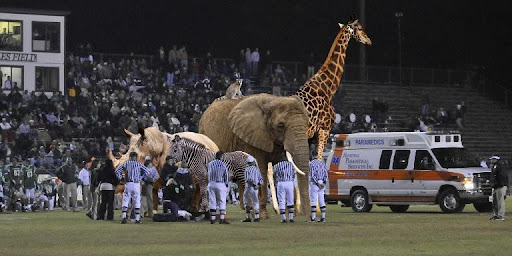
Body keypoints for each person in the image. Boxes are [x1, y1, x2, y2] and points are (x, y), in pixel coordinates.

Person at [115, 152, 149, 224]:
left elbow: (117, 171)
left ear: (130, 157)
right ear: (136, 157)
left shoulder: (126, 163)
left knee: (126, 200)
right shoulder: (139, 164)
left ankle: (124, 217)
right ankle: (137, 219)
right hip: (136, 184)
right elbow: (147, 172)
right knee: (137, 201)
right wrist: (141, 178)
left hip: (128, 183)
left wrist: (121, 178)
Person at [207, 151, 230, 224]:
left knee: (212, 201)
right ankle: (222, 219)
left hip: (211, 183)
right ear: (221, 156)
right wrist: (226, 185)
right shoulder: (223, 164)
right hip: (220, 183)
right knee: (222, 201)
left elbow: (208, 173)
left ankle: (212, 219)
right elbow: (226, 175)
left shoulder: (210, 164)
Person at [273, 152, 296, 223]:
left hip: (280, 183)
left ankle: (283, 218)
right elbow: (294, 174)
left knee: (281, 200)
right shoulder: (291, 165)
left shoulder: (277, 165)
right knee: (290, 200)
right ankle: (291, 218)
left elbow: (274, 173)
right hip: (289, 182)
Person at [241, 155, 263, 222]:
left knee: (246, 202)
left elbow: (248, 179)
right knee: (256, 202)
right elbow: (261, 179)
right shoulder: (257, 169)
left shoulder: (247, 169)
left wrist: (253, 185)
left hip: (249, 187)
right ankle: (257, 217)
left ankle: (248, 217)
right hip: (255, 188)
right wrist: (257, 185)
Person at [309, 151, 328, 222]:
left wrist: (317, 183)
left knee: (313, 200)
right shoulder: (322, 163)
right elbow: (326, 174)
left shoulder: (312, 164)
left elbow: (312, 175)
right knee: (321, 200)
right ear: (317, 155)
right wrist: (324, 183)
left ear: (312, 155)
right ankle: (323, 217)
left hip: (315, 183)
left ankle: (313, 217)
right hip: (322, 182)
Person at [489, 155, 508, 221]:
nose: (491, 160)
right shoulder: (495, 166)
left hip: (500, 186)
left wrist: (500, 184)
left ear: (496, 160)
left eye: (492, 159)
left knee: (500, 201)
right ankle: (496, 215)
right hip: (496, 186)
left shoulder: (500, 166)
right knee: (495, 201)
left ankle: (501, 215)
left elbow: (502, 176)